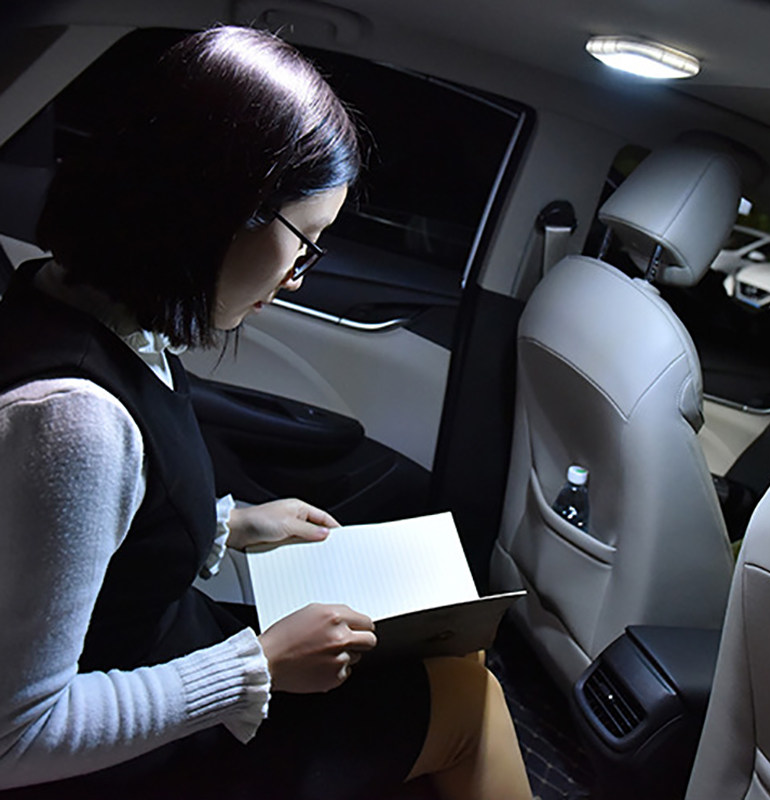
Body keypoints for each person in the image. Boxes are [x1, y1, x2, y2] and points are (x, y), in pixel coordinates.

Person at [0, 26, 533, 800]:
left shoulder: (92, 312)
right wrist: (260, 665)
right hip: (136, 743)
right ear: (217, 207)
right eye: (304, 241)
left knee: (453, 652)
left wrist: (232, 525)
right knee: (470, 700)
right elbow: (18, 736)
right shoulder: (72, 419)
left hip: (171, 657)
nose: (297, 278)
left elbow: (92, 542)